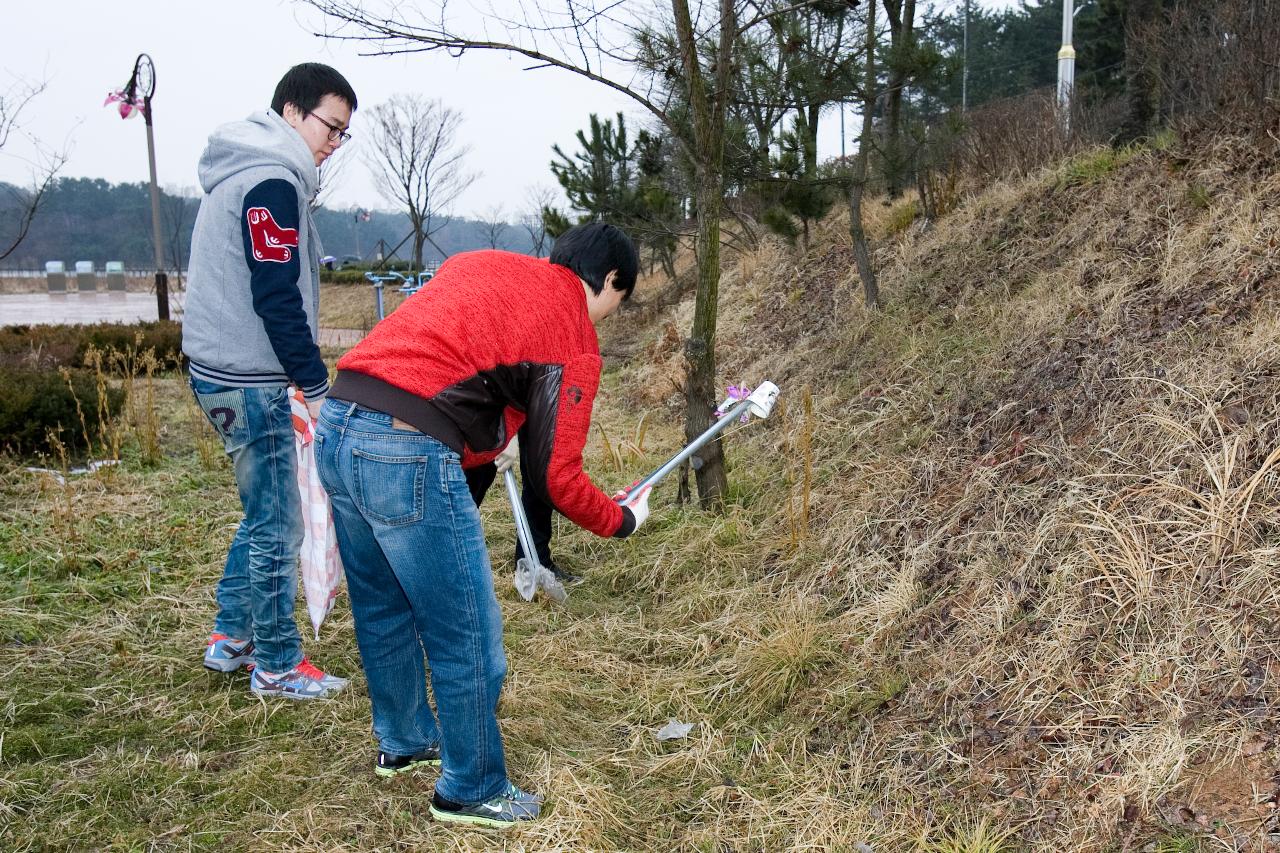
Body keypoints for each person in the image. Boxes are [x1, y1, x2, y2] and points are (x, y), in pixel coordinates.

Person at [314, 223, 653, 828]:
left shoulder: (482, 265)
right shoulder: (571, 330)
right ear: (608, 281)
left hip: (338, 421)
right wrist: (622, 519)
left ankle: (406, 738)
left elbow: (451, 370)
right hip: (405, 448)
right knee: (465, 632)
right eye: (617, 301)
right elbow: (558, 479)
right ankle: (471, 787)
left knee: (383, 605)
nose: (608, 315)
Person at [183, 63, 356, 699]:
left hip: (219, 369)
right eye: (329, 127)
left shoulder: (244, 171)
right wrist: (314, 384)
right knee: (279, 523)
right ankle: (278, 664)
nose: (333, 144)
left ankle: (232, 635)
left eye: (342, 135)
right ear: (291, 111)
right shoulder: (271, 182)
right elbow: (277, 296)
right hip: (248, 379)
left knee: (265, 509)